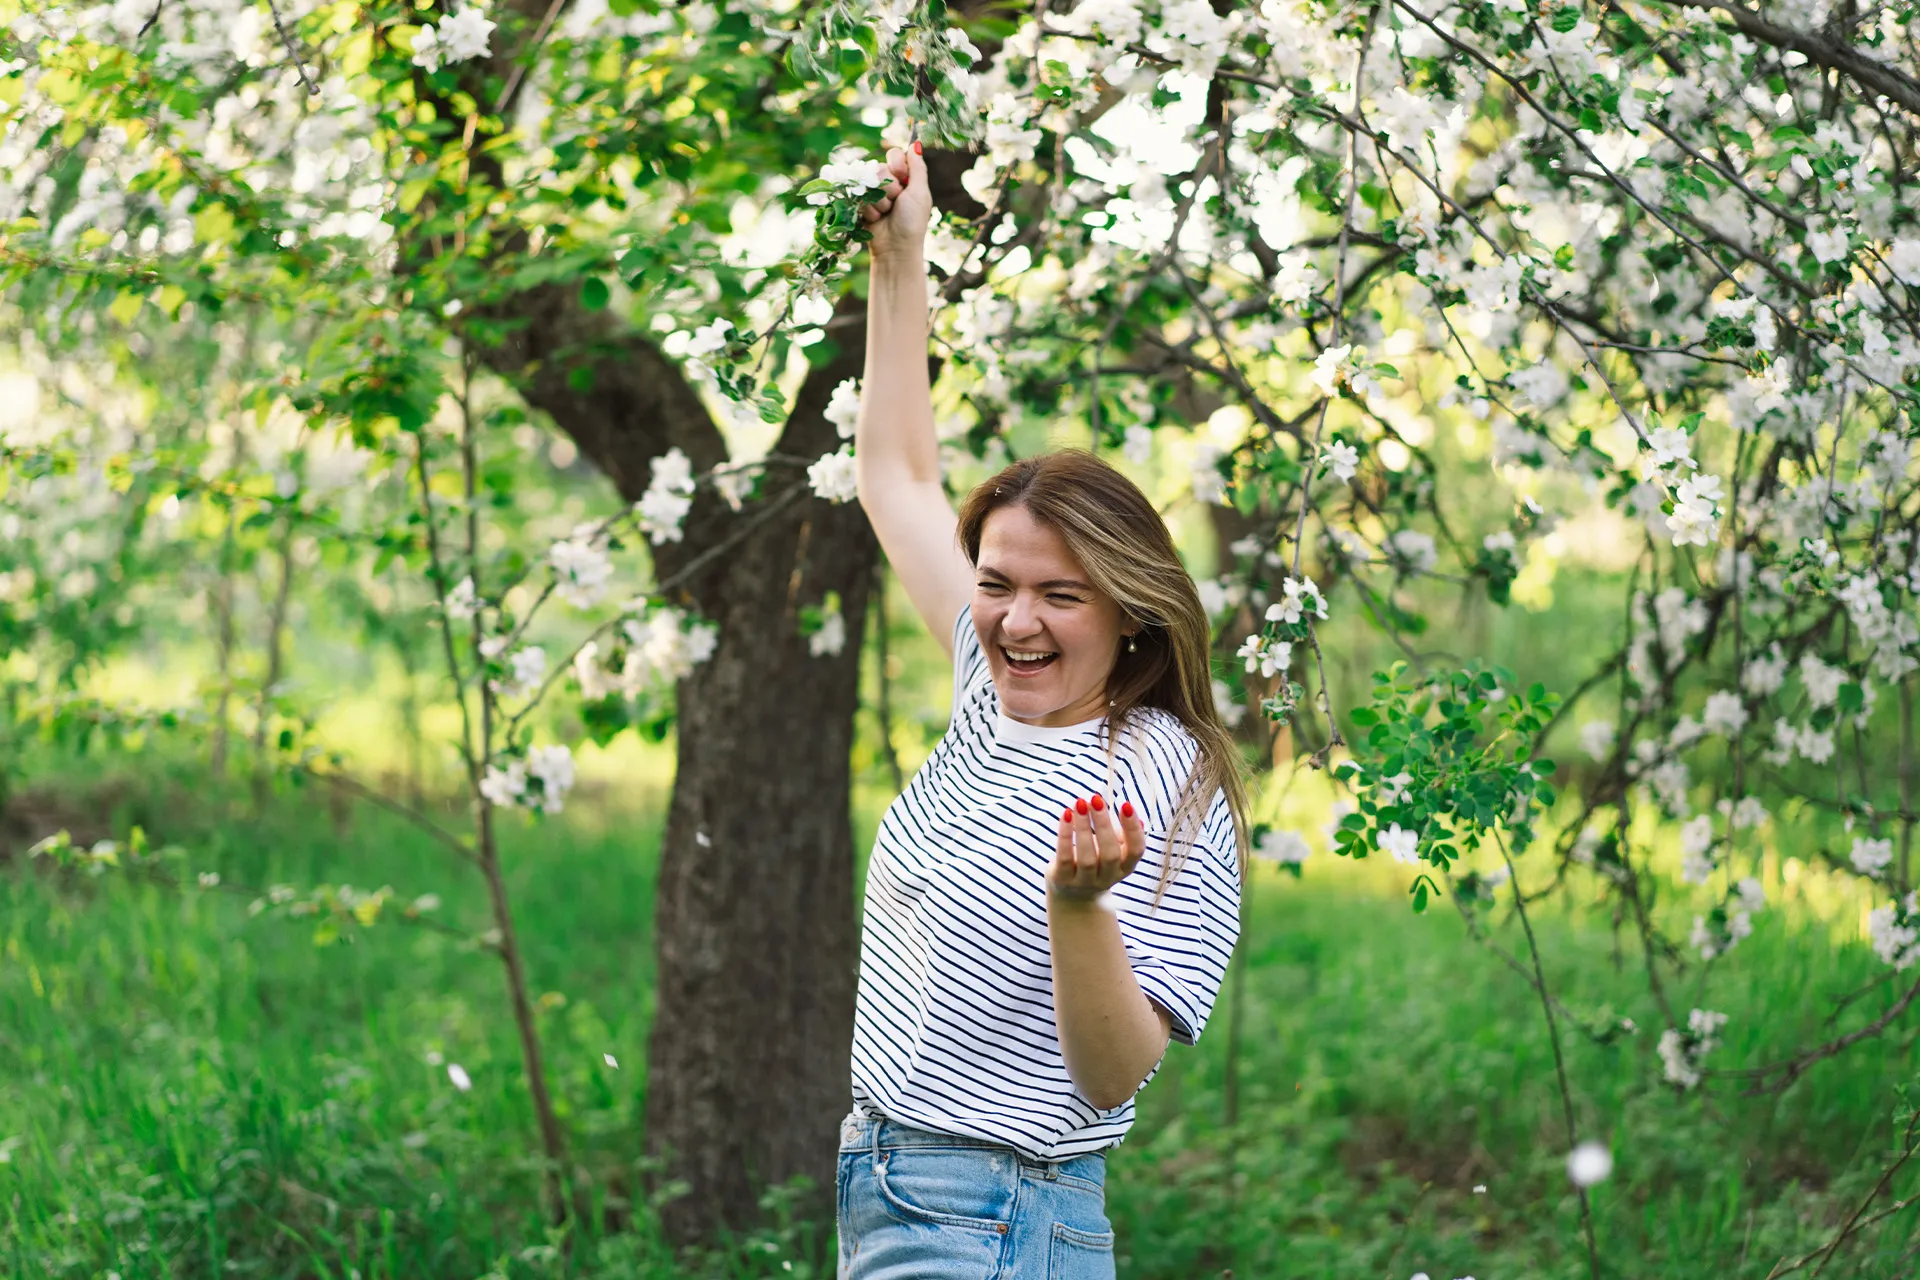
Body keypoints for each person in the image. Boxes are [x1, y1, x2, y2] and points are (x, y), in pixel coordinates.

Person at [834, 140, 1250, 1280]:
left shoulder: (1166, 778)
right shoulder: (990, 695)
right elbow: (896, 476)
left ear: (1130, 611)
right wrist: (902, 257)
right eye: (997, 583)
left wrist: (1079, 905)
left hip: (995, 1213)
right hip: (885, 1182)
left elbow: (1114, 1073)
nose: (1017, 620)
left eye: (1061, 595)